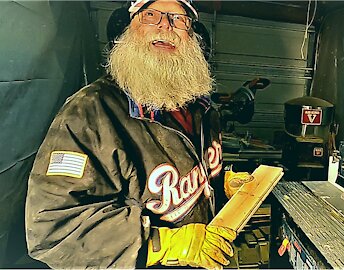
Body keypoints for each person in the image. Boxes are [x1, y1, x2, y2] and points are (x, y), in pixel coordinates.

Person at [25, 0, 242, 268]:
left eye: (179, 19)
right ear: (129, 29)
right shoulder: (90, 113)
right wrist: (164, 244)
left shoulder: (203, 109)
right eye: (151, 15)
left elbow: (187, 175)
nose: (166, 25)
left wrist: (220, 183)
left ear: (193, 37)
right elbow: (54, 229)